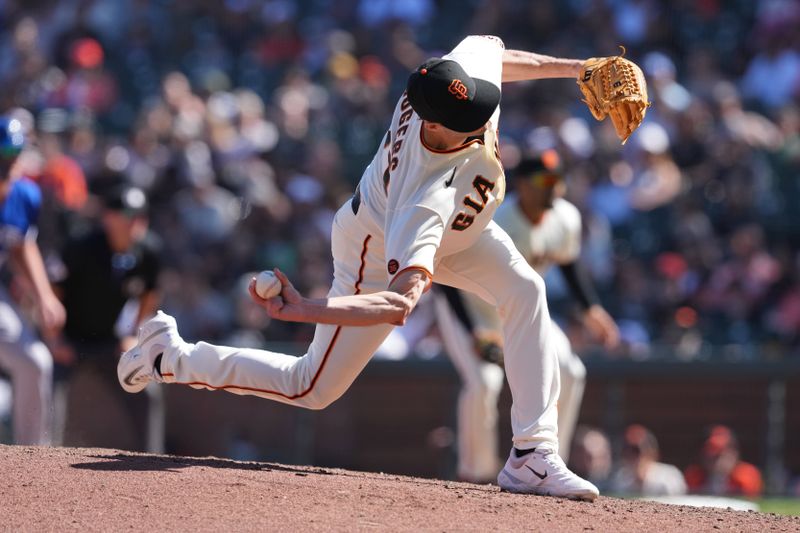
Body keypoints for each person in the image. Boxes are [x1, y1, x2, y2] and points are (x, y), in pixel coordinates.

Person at [118, 35, 612, 501]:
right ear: (435, 126)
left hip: (465, 229)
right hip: (375, 250)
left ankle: (531, 453)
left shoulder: (448, 83)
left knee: (525, 288)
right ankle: (173, 357)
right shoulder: (420, 199)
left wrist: (578, 69)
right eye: (470, 114)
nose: (483, 114)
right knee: (309, 386)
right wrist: (310, 308)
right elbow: (399, 304)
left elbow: (494, 58)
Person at [432, 149, 620, 483]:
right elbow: (446, 280)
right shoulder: (496, 218)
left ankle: (547, 462)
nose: (553, 188)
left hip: (520, 310)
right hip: (472, 310)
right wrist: (474, 332)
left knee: (571, 370)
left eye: (557, 180)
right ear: (522, 184)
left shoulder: (566, 217)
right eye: (543, 180)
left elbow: (569, 262)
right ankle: (474, 471)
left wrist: (591, 308)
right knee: (484, 383)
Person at [51, 179, 164, 452]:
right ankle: (40, 453)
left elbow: (150, 294)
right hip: (69, 339)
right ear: (108, 217)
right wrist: (54, 339)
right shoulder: (81, 246)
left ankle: (150, 456)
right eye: (126, 215)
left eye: (140, 217)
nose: (134, 223)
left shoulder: (148, 251)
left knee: (147, 390)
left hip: (111, 342)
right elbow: (53, 292)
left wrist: (133, 335)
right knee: (50, 390)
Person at [0, 116, 66, 445]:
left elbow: (20, 245)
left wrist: (44, 296)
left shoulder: (24, 194)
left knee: (35, 362)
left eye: (14, 152)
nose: (9, 161)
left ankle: (33, 458)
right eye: (3, 153)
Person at [684, 424, 763, 498]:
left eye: (721, 455)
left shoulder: (746, 475)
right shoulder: (693, 475)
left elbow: (750, 501)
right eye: (712, 456)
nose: (717, 462)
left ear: (734, 453)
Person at [609, 424, 687, 497]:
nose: (632, 456)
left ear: (652, 452)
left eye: (636, 450)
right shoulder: (620, 480)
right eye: (627, 450)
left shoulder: (669, 477)